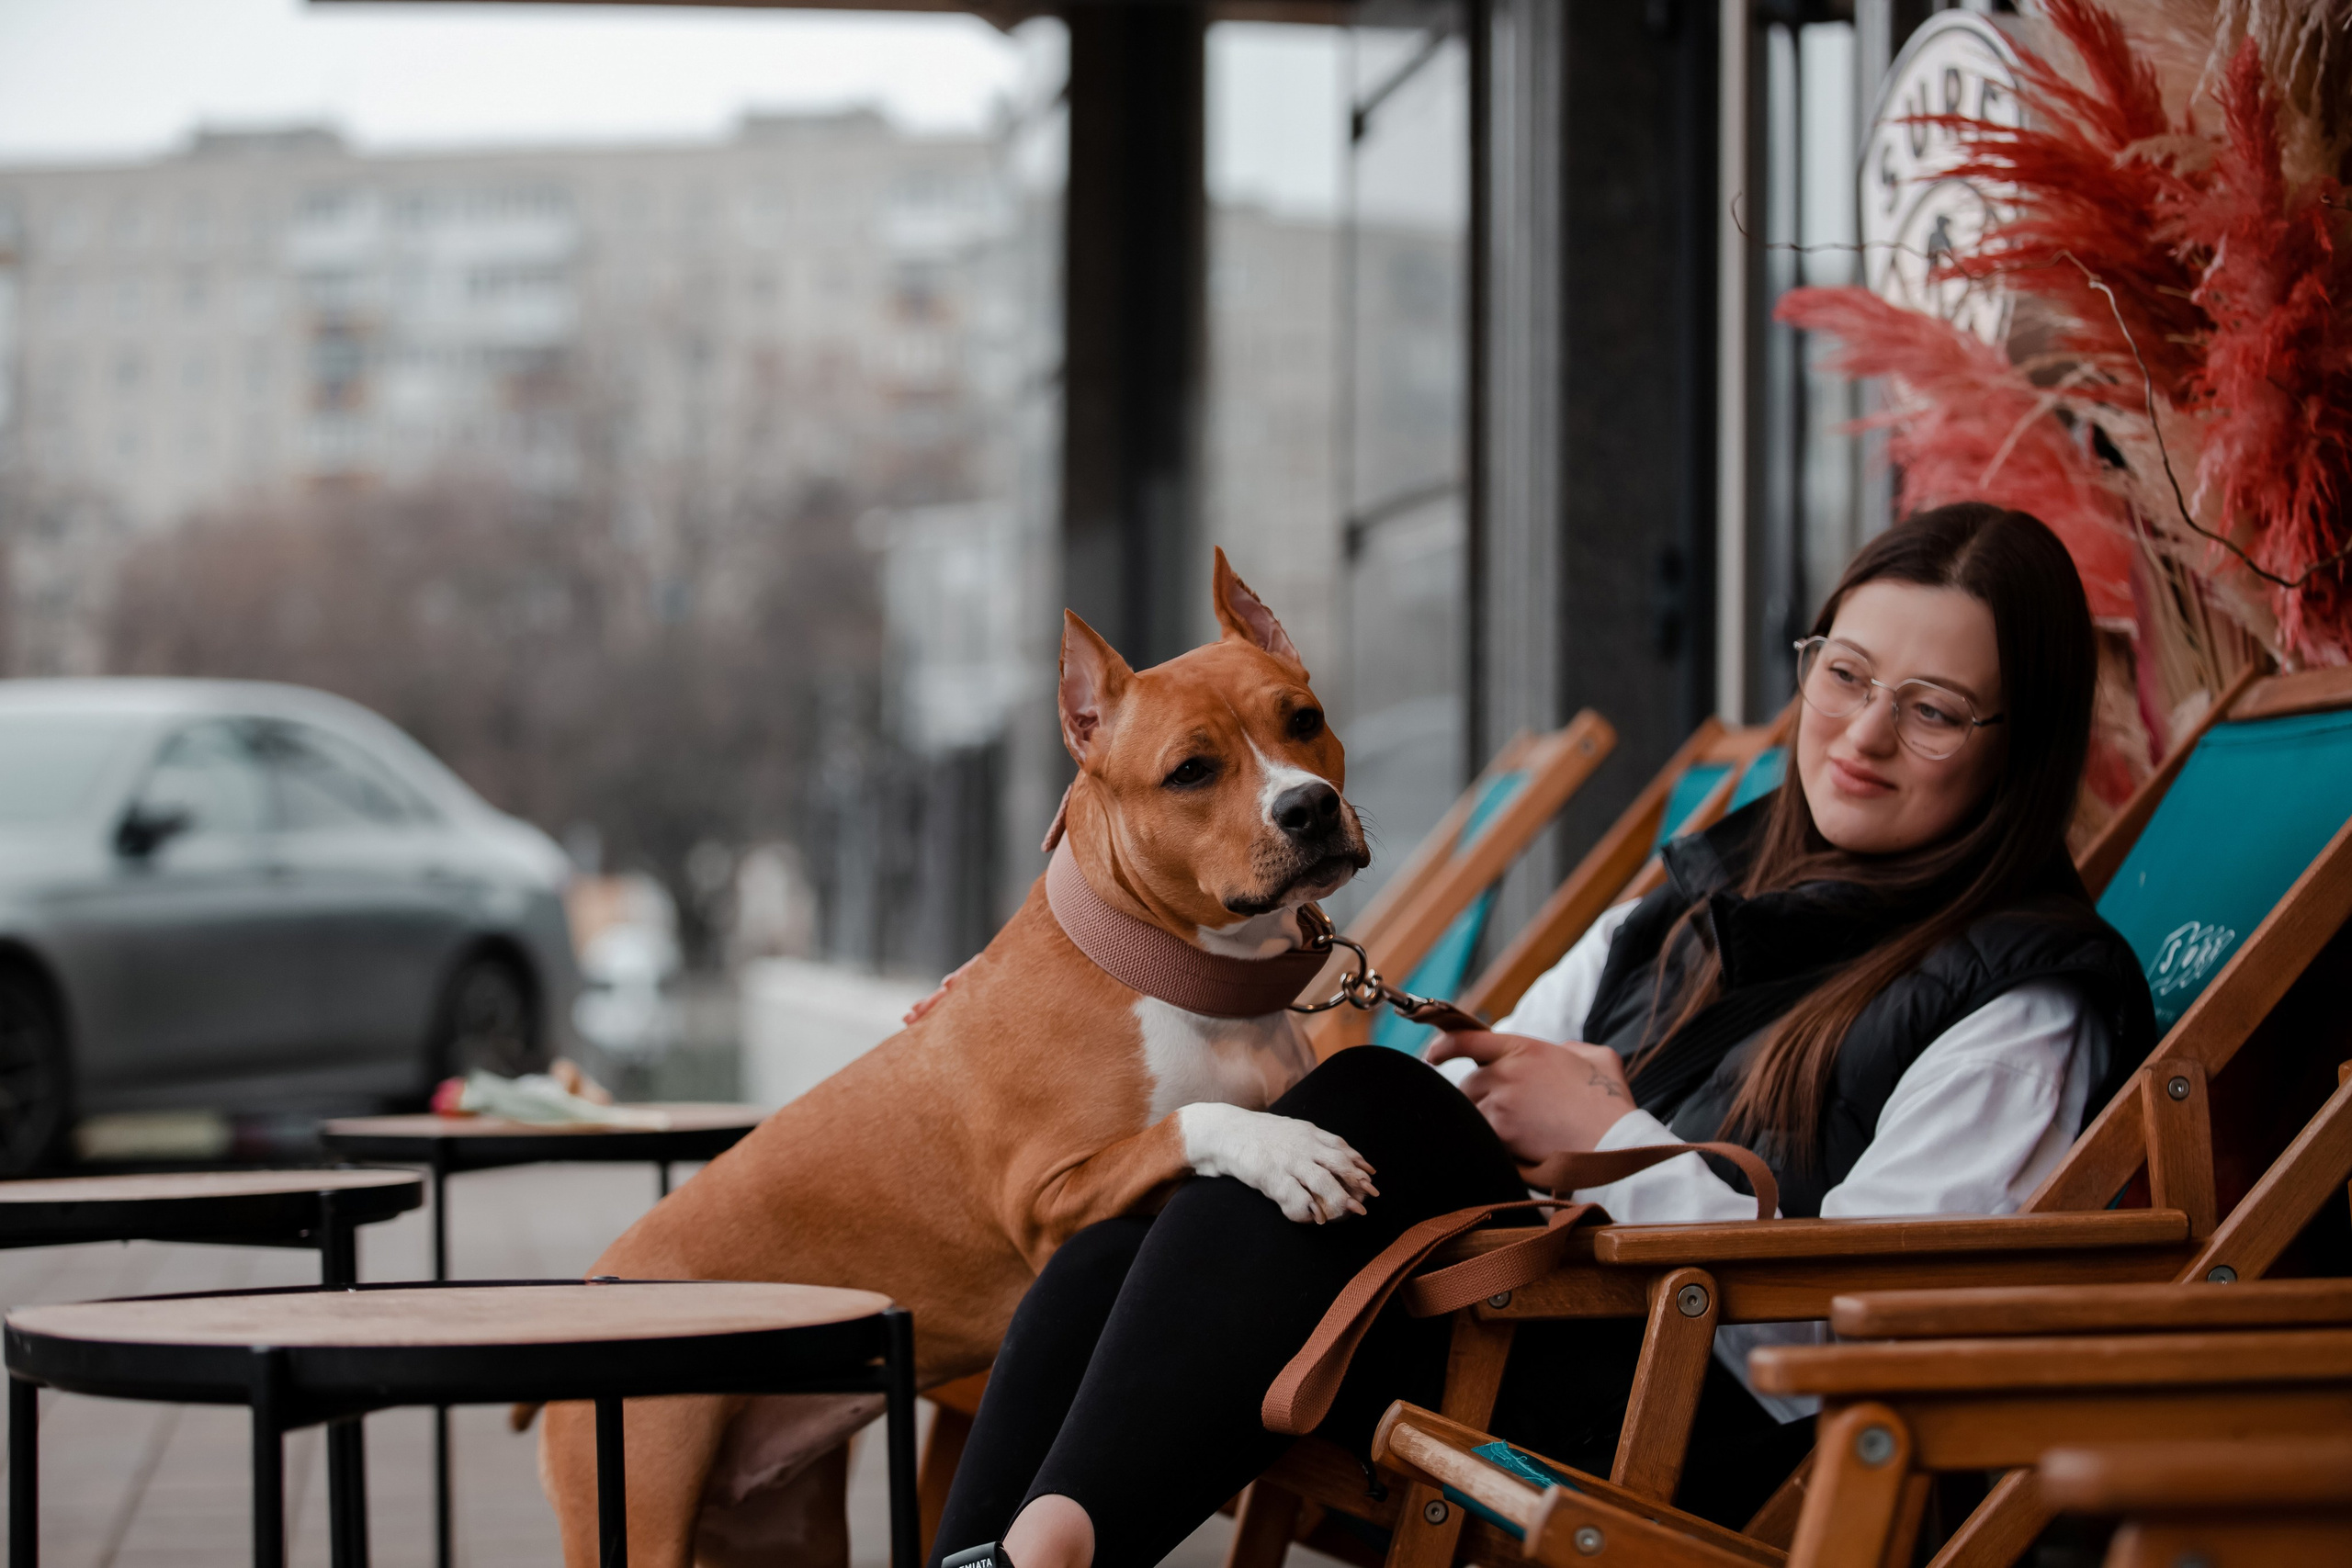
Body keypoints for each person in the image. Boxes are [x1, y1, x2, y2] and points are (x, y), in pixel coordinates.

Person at [932, 502, 2157, 1568]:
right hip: (1542, 1328)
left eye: (1933, 710)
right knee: (1116, 1253)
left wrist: (1611, 1139)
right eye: (1844, 673)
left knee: (1369, 1104)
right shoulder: (1710, 883)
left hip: (1705, 1426)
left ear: (2023, 745)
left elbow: (1879, 1312)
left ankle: (1050, 1549)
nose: (1862, 734)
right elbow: (1487, 1073)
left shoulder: (2020, 1004)